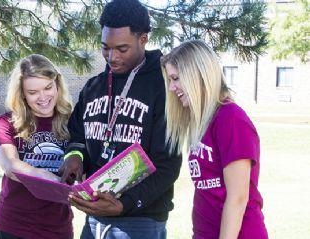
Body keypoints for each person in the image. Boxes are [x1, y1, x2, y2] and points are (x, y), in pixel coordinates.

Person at [58, 0, 183, 238]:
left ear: (143, 39)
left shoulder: (164, 87)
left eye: (122, 49)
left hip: (140, 221)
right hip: (94, 216)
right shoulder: (93, 87)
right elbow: (77, 135)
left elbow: (168, 165)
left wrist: (126, 203)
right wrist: (75, 156)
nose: (111, 57)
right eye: (105, 47)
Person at [161, 40, 268, 239]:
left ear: (198, 75)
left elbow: (238, 198)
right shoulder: (203, 122)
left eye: (175, 78)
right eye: (170, 79)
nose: (171, 88)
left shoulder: (231, 119)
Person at [0, 54, 74, 239]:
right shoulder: (6, 123)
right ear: (22, 94)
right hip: (12, 228)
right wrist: (55, 181)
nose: (43, 97)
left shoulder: (73, 122)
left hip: (58, 230)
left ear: (57, 84)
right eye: (33, 92)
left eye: (48, 87)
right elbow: (11, 166)